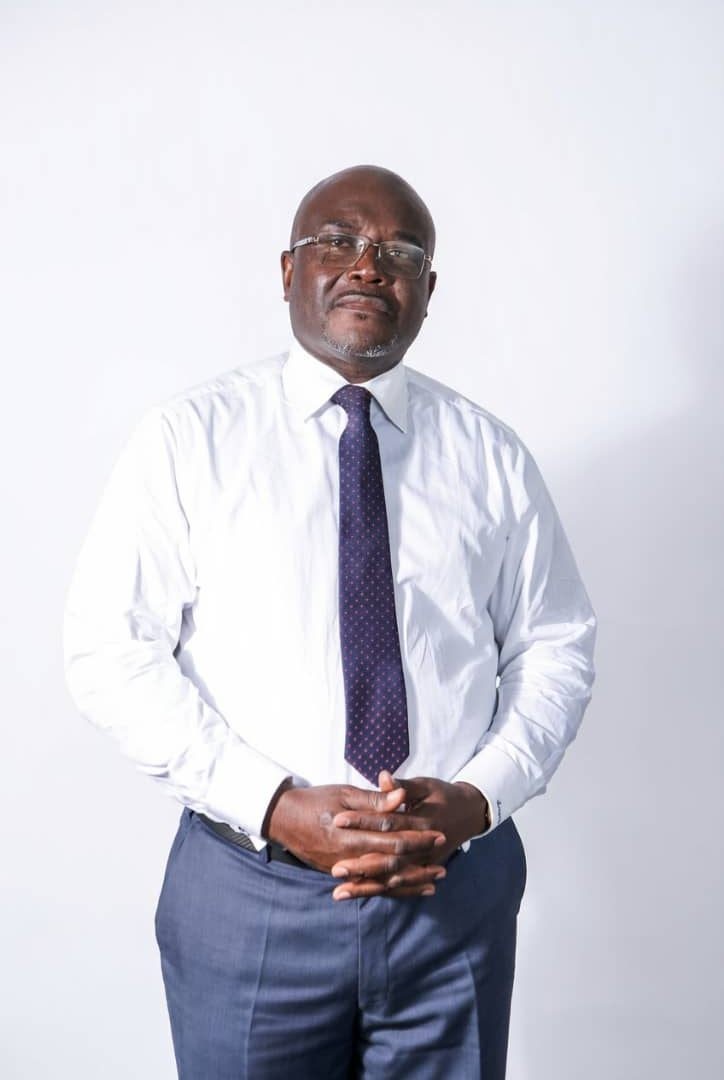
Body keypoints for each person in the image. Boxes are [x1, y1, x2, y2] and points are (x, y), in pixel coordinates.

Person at [63, 164, 596, 1079]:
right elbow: (110, 651)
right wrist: (274, 805)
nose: (368, 265)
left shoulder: (491, 456)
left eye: (400, 253)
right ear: (287, 270)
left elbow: (556, 646)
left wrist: (478, 798)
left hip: (453, 894)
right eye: (338, 241)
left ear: (429, 288)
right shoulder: (190, 441)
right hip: (251, 893)